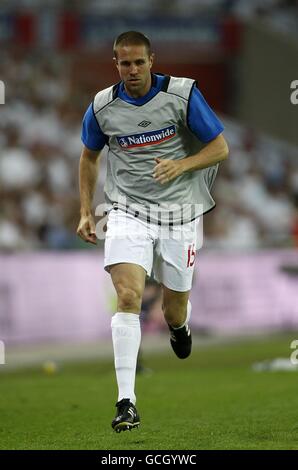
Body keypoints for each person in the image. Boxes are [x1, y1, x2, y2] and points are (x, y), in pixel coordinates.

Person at [77, 31, 229, 433]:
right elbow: (89, 157)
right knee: (127, 295)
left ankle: (180, 328)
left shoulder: (182, 95)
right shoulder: (102, 106)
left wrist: (181, 165)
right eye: (124, 63)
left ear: (151, 61)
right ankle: (126, 400)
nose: (131, 70)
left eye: (138, 62)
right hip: (127, 211)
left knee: (173, 308)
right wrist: (85, 211)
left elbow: (219, 147)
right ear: (116, 64)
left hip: (181, 212)